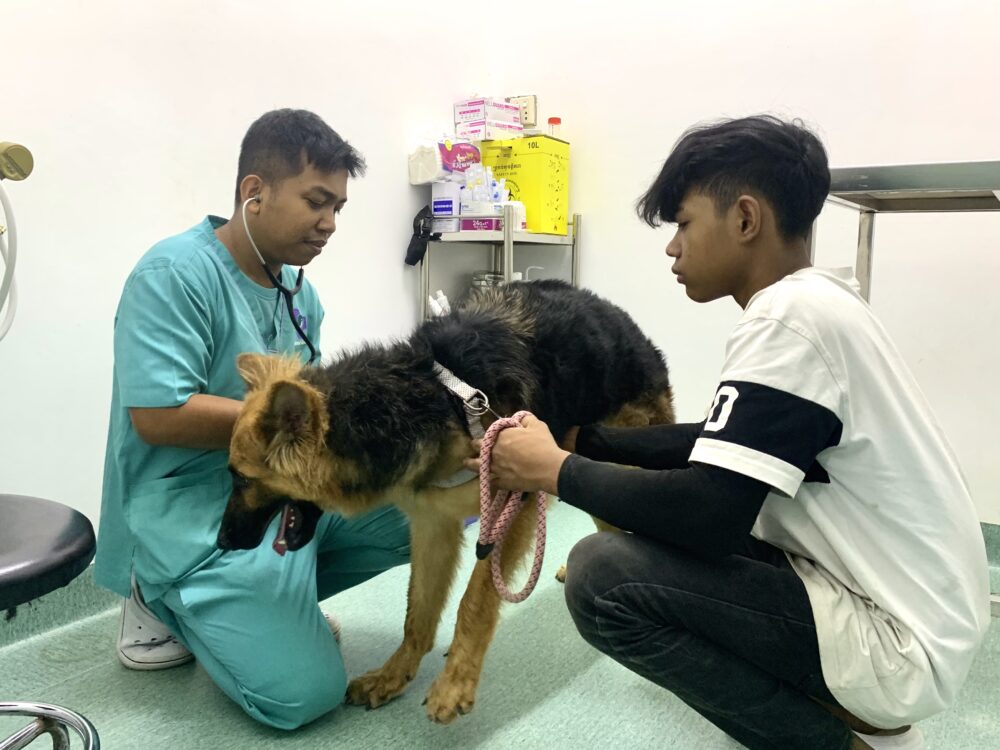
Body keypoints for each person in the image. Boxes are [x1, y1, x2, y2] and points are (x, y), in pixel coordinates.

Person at [467, 115, 990, 750]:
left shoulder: (788, 321)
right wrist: (587, 444)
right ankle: (857, 706)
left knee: (604, 577)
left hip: (897, 641)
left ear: (745, 219)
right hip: (918, 613)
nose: (672, 247)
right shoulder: (822, 304)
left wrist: (553, 470)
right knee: (673, 526)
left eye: (683, 224)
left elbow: (708, 513)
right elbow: (718, 446)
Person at [94, 109, 410, 729]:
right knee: (304, 699)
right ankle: (159, 599)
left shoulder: (299, 293)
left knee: (422, 507)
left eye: (339, 208)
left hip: (276, 499)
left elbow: (309, 415)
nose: (329, 224)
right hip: (188, 516)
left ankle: (270, 607)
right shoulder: (174, 274)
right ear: (253, 193)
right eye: (317, 201)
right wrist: (279, 424)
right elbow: (159, 414)